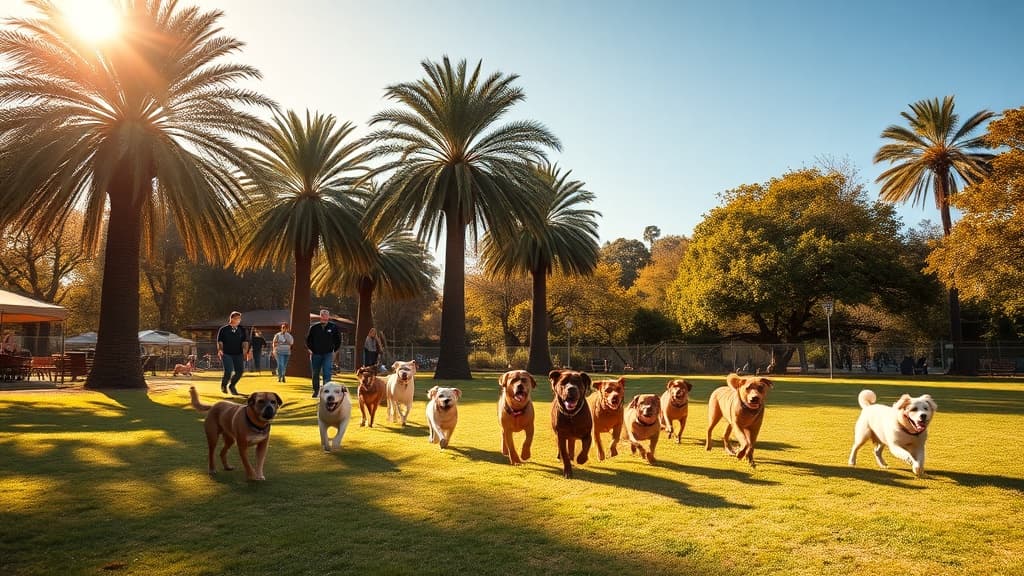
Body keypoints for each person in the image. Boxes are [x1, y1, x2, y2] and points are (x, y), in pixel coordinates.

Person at [306, 309, 341, 398]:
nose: (325, 317)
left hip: (328, 354)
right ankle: (316, 390)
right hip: (316, 354)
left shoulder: (333, 327)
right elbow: (308, 340)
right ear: (320, 316)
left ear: (328, 316)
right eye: (323, 315)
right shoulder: (314, 327)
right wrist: (311, 350)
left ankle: (327, 391)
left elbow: (338, 339)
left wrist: (335, 351)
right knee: (315, 373)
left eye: (327, 315)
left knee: (327, 372)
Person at [217, 311, 250, 395]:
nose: (239, 320)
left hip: (238, 354)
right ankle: (224, 385)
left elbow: (245, 342)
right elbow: (220, 342)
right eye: (237, 318)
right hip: (226, 353)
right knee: (228, 371)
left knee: (240, 372)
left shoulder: (242, 329)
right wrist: (220, 350)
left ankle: (232, 386)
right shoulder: (223, 329)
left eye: (239, 318)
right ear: (232, 319)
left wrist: (245, 353)